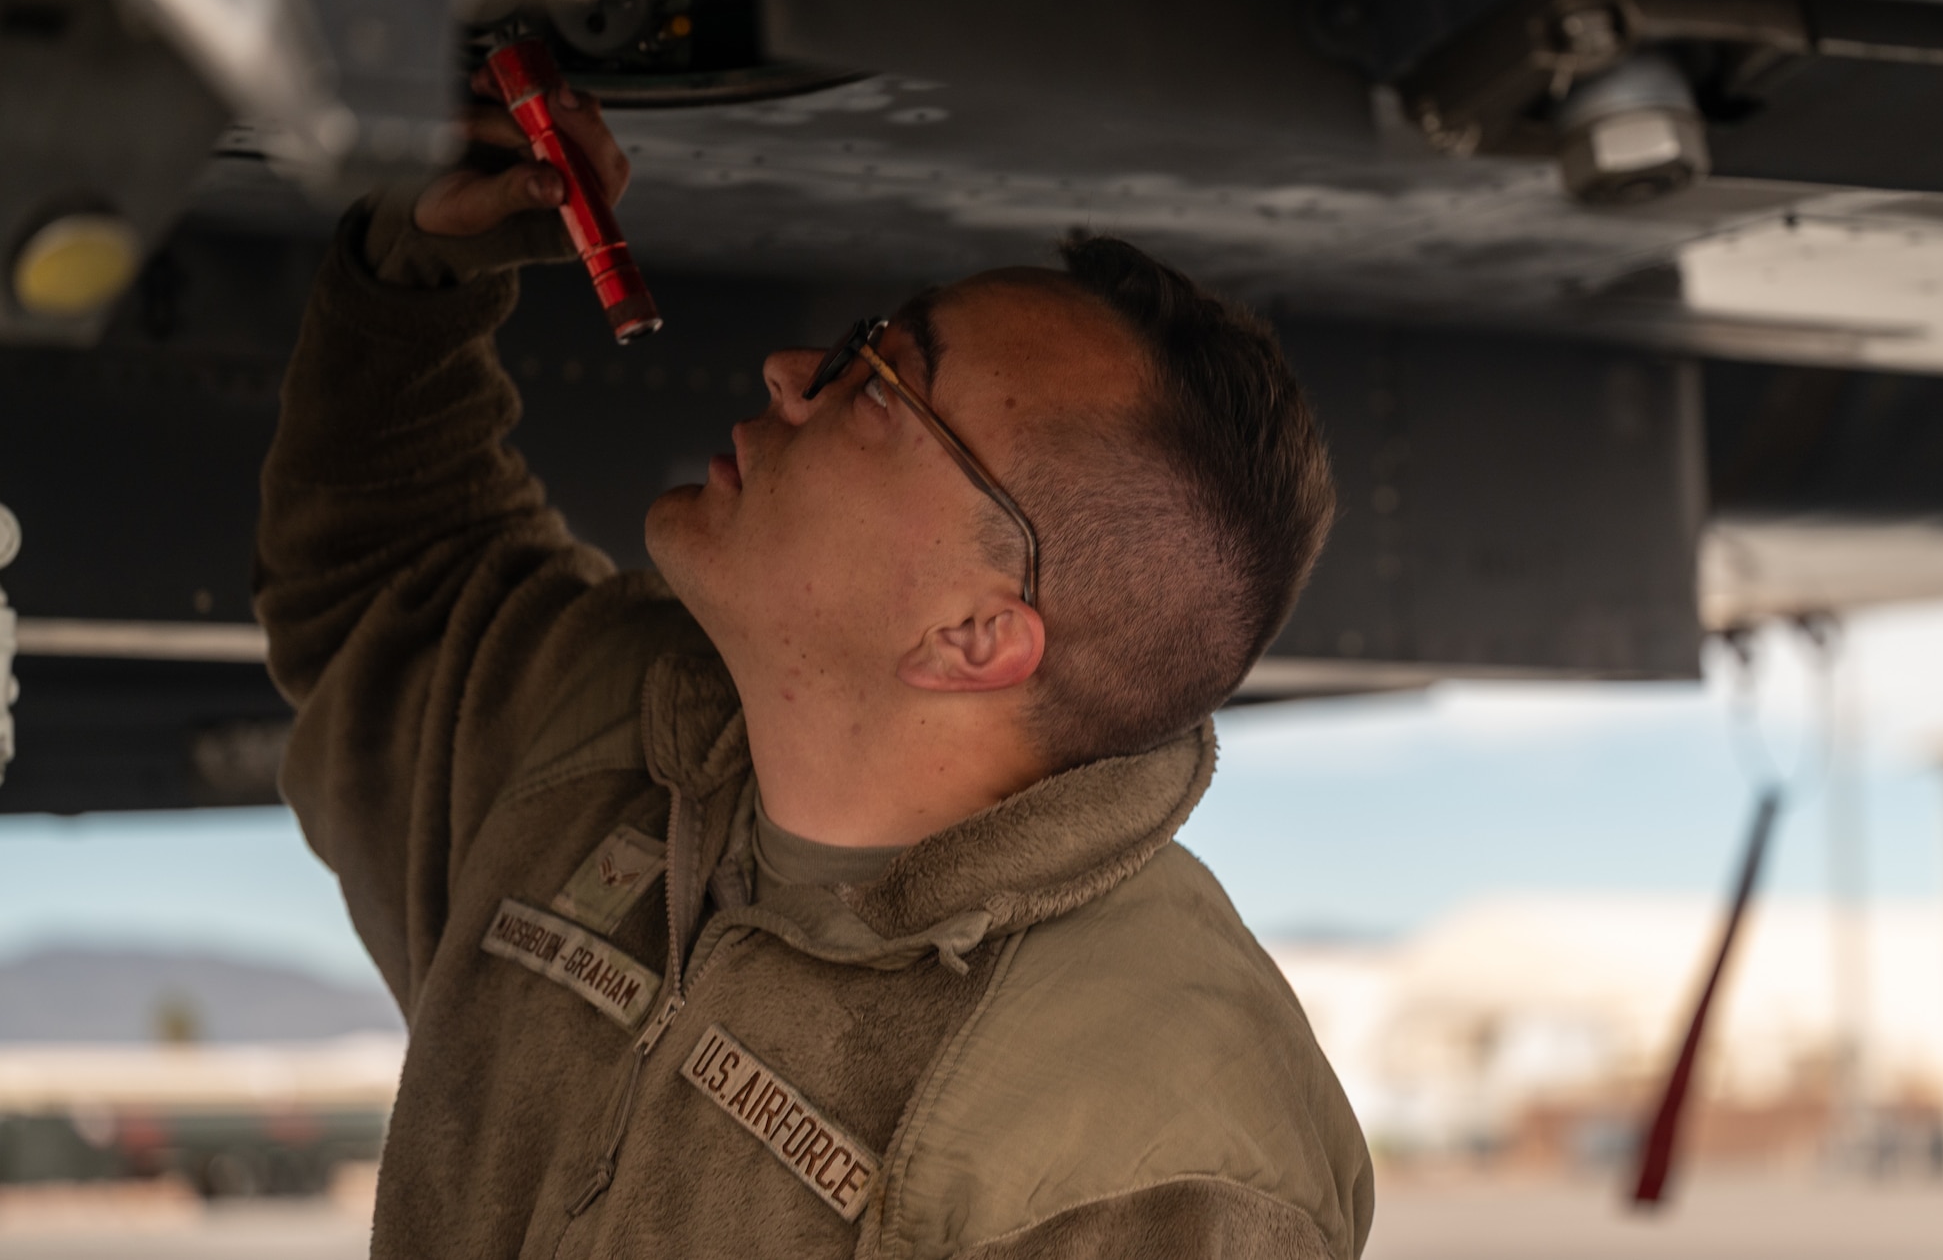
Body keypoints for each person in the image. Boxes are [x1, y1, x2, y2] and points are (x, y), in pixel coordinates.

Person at [256, 70, 1372, 1258]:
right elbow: (390, 580)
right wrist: (415, 282)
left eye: (881, 381)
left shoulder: (1152, 1149)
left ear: (973, 635)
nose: (793, 372)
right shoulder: (606, 732)